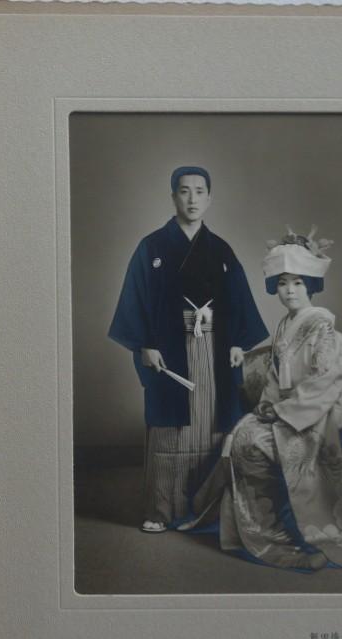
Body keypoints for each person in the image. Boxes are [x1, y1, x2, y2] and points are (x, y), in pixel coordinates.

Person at [216, 228, 342, 570]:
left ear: (312, 286)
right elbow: (277, 377)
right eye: (284, 282)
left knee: (253, 442)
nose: (290, 290)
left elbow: (326, 378)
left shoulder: (322, 328)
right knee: (243, 435)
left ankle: (278, 535)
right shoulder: (286, 326)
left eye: (299, 283)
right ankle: (264, 532)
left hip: (312, 412)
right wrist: (267, 405)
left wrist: (283, 411)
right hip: (288, 409)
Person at [108, 166, 268, 533]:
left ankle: (208, 508)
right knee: (171, 429)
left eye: (199, 191)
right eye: (184, 191)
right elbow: (137, 298)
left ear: (210, 198)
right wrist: (145, 344)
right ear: (173, 197)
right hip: (169, 347)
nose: (192, 199)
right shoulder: (152, 247)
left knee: (212, 424)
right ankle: (161, 510)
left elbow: (238, 302)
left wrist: (240, 344)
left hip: (214, 348)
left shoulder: (221, 250)